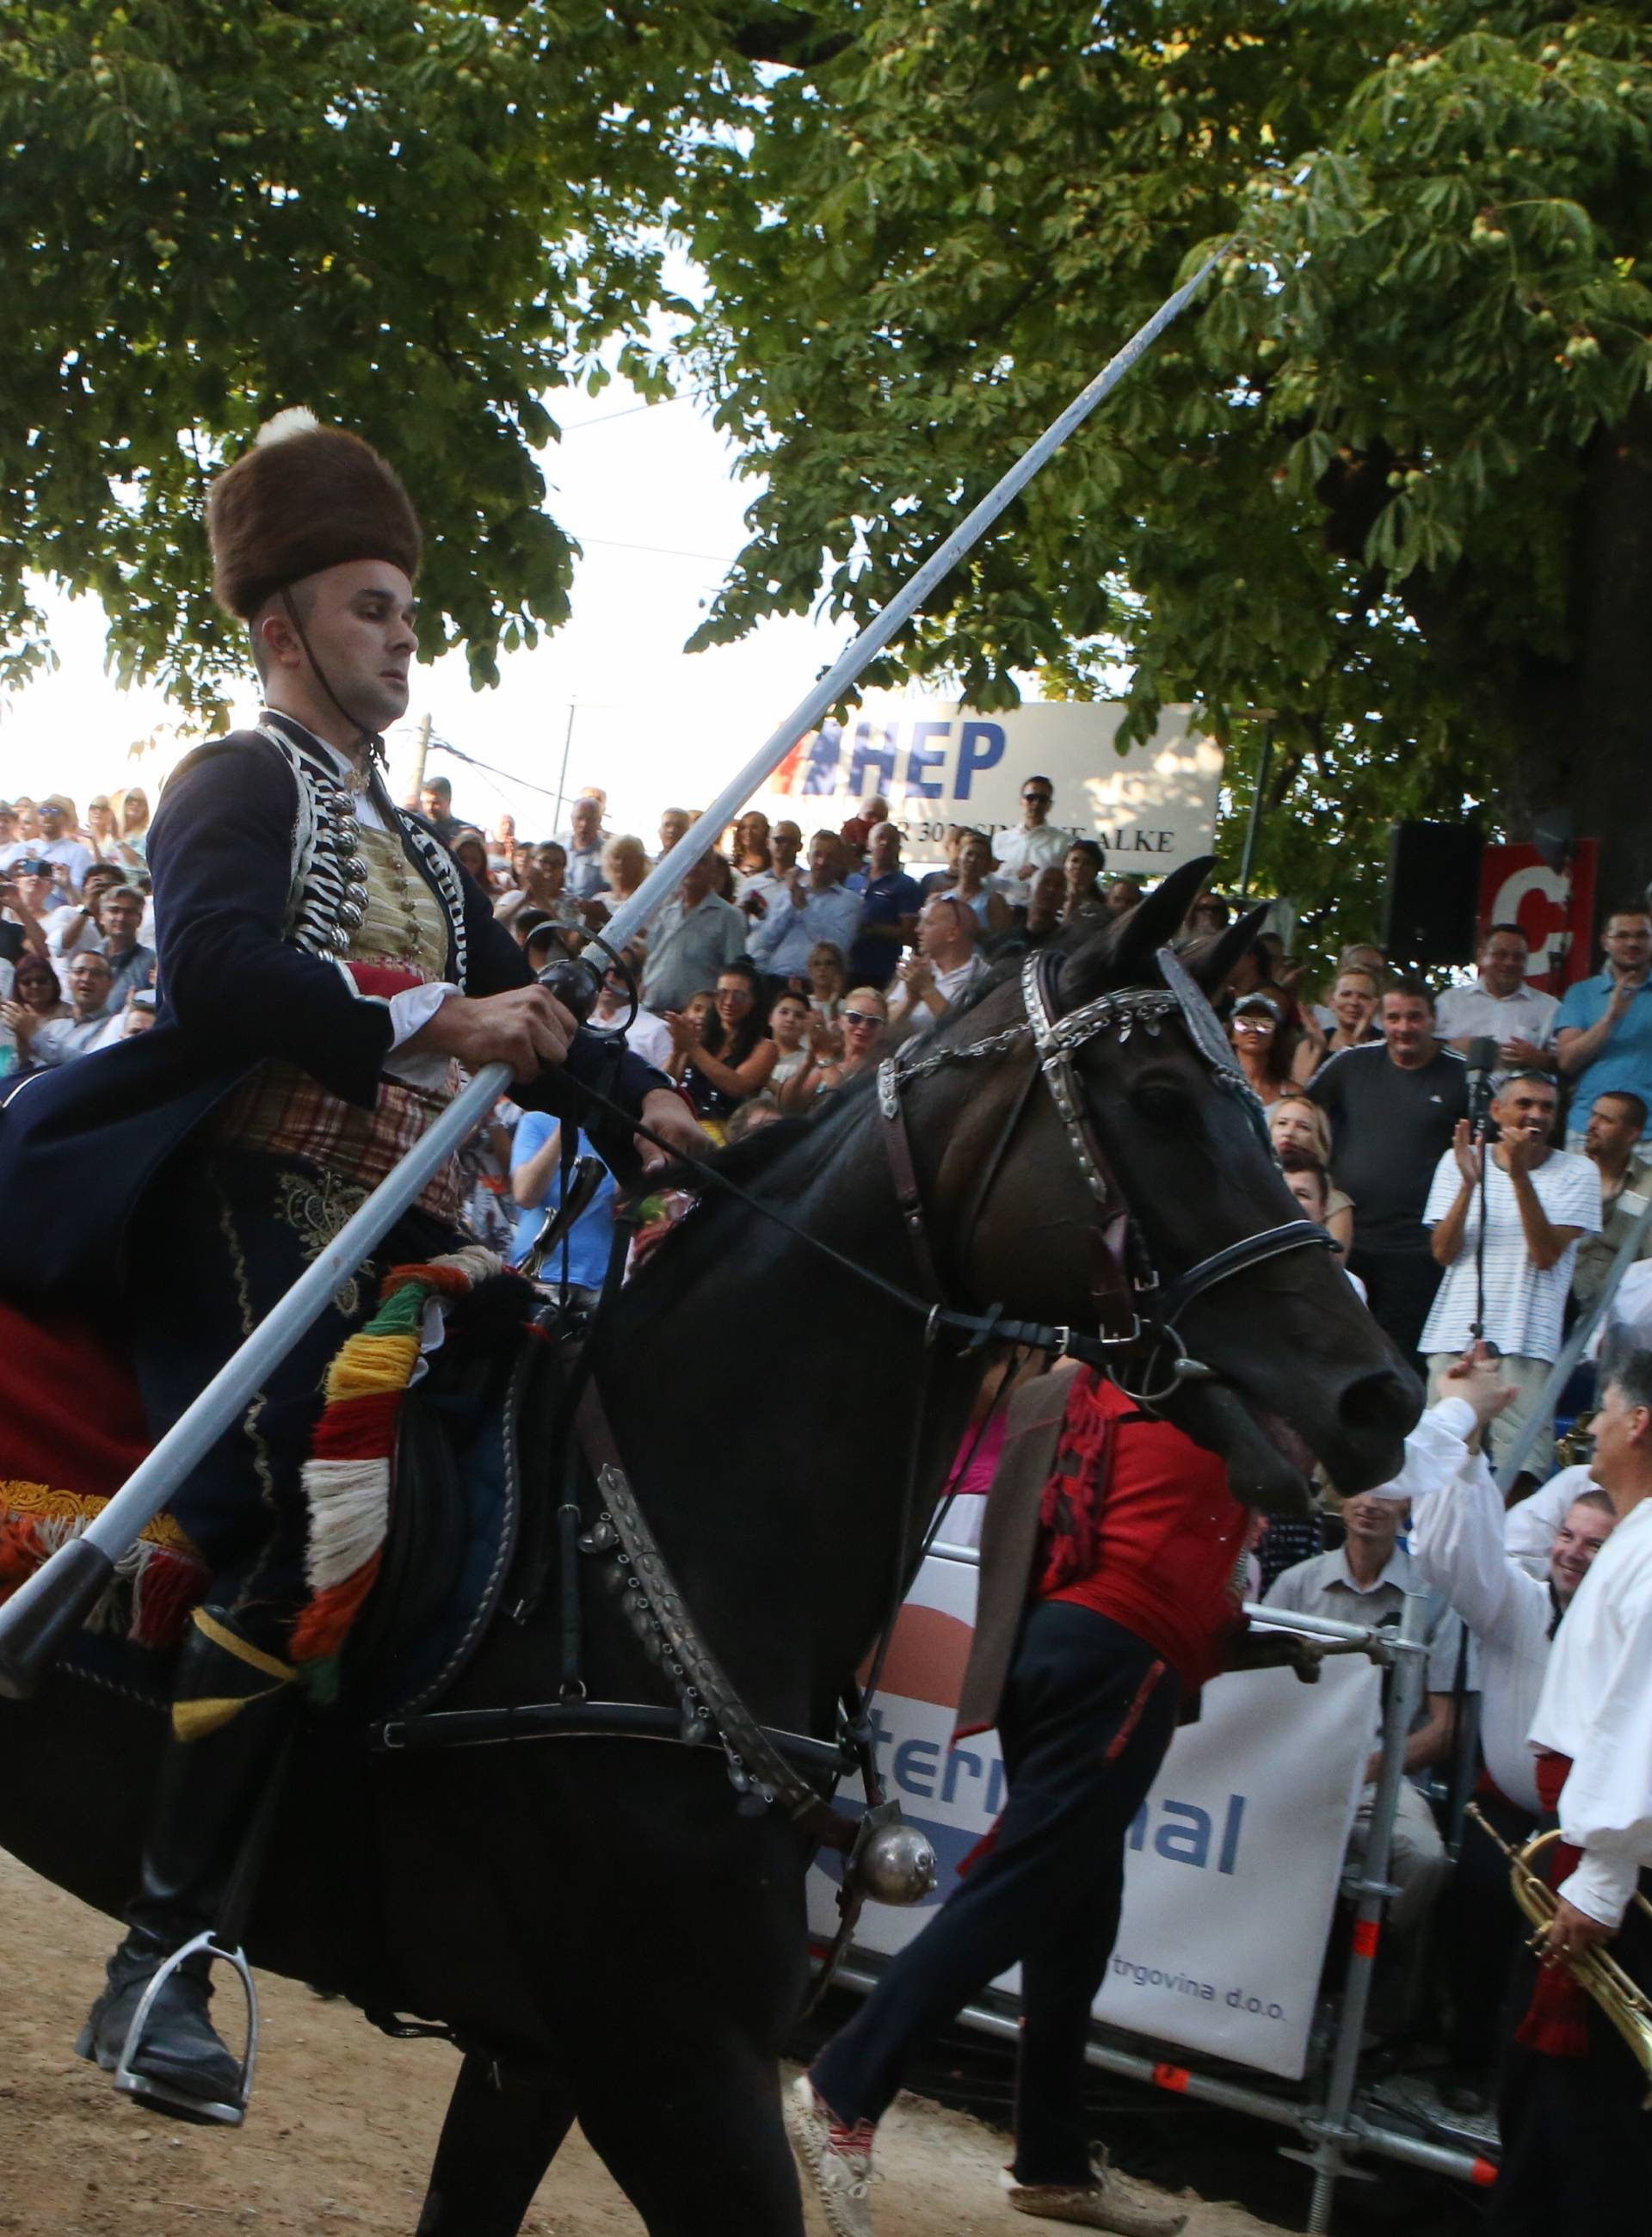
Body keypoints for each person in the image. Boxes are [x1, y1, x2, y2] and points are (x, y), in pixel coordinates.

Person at [0, 411, 700, 2118]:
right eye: (374, 607)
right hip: (231, 1207)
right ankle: (165, 1944)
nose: (402, 637)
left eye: (407, 610)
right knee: (304, 1507)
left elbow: (543, 1027)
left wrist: (657, 1115)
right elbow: (229, 970)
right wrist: (444, 1016)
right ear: (281, 628)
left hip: (397, 1233)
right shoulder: (233, 783)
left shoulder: (432, 850)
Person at [787, 1358, 1322, 2237]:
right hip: (1119, 1659)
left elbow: (1147, 1549)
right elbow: (1280, 1483)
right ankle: (846, 2084)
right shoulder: (1220, 1412)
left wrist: (1232, 1635)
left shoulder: (1109, 1390)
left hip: (1053, 1646)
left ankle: (1054, 2160)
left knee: (1079, 1910)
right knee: (1023, 1886)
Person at [1367, 1350, 1617, 2107]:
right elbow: (1456, 1553)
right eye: (1566, 1537)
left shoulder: (1627, 1625)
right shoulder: (1521, 1602)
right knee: (1473, 1930)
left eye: (1593, 1545)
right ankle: (1465, 2059)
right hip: (1506, 1814)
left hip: (1585, 1834)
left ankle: (1525, 2088)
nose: (1571, 1552)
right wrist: (1468, 1436)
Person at [1490, 1346, 1652, 2236]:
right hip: (1587, 1858)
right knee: (1543, 2104)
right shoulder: (1634, 1530)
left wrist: (1602, 1877)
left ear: (1640, 1422)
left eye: (1606, 1408)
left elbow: (1645, 1718)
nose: (1588, 1423)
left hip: (1608, 1875)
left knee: (1589, 2117)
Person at [1264, 1488, 1471, 1939]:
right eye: (1363, 1488)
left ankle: (1368, 1957)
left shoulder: (1434, 1599)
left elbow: (1445, 1728)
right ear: (1342, 1495)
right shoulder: (1298, 1583)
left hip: (1384, 1775)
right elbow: (1260, 1692)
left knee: (1423, 1858)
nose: (1372, 1503)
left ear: (1409, 1506)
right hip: (1295, 1761)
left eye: (1390, 1492)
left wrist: (1366, 1769)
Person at [1421, 1071, 1600, 1482]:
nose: (1536, 1115)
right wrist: (1468, 1186)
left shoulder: (1578, 1172)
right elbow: (1443, 1253)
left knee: (1519, 1473)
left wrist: (1518, 1176)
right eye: (1525, 1104)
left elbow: (1546, 1254)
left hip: (1528, 1341)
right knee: (1440, 1468)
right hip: (1452, 1336)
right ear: (1497, 1111)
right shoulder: (1458, 1159)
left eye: (1547, 1107)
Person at [1309, 981, 1469, 1362]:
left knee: (1399, 1357)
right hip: (1347, 1240)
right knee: (1336, 1349)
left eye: (1414, 1017)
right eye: (1393, 1018)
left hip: (1419, 1249)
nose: (1403, 1027)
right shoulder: (1351, 1063)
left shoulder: (1464, 1077)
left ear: (1433, 1020)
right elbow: (1303, 1113)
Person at [1555, 905, 1652, 1148]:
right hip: (1588, 1126)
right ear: (1605, 942)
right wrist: (1611, 1017)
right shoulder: (1581, 993)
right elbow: (1567, 1062)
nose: (1632, 943)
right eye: (1622, 935)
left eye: (1642, 935)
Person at [667, 959, 778, 1136]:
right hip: (680, 1124)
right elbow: (666, 1082)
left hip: (727, 1135)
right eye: (722, 993)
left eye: (739, 996)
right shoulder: (700, 1037)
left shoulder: (766, 1047)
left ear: (755, 1001)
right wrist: (677, 1050)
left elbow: (738, 1086)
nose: (728, 1001)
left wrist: (692, 1047)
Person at [509, 1117, 618, 1284]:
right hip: (540, 1275)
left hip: (597, 1282)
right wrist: (567, 1123)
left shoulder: (619, 1135)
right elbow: (525, 1195)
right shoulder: (536, 1122)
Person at [1435, 923, 1559, 1069]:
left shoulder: (1549, 1007)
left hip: (1520, 1088)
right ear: (1481, 956)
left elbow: (1565, 1065)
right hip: (1458, 1087)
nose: (1509, 962)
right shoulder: (1450, 1001)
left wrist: (1537, 1058)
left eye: (1518, 957)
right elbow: (1423, 1047)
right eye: (1500, 954)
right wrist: (1452, 1046)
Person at [1572, 1090, 1652, 1313]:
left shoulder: (1649, 1186)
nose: (1592, 1125)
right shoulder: (1567, 1172)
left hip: (1612, 1306)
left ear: (1631, 1134)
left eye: (1606, 1120)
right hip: (1558, 1291)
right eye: (1593, 1115)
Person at [638, 850, 746, 1014]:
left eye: (701, 861)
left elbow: (735, 975)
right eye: (689, 859)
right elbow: (649, 958)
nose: (693, 866)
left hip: (695, 1020)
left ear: (713, 869)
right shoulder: (665, 912)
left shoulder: (729, 917)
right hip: (651, 1011)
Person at [748, 829, 861, 982]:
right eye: (817, 855)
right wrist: (791, 902)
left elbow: (837, 947)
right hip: (775, 976)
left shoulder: (849, 901)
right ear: (808, 857)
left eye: (830, 857)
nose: (822, 862)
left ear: (840, 862)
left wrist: (804, 908)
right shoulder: (788, 893)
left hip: (815, 984)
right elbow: (766, 939)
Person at [1268, 1096, 1354, 1258]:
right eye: (1282, 1123)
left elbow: (1333, 1264)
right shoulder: (1249, 1187)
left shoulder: (1336, 1204)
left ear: (1319, 1140)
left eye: (1303, 1127)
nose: (1289, 1132)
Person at [886, 897, 987, 1034]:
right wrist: (910, 1000)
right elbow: (882, 1028)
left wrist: (927, 990)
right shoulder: (919, 970)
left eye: (928, 923)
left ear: (952, 934)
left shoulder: (983, 977)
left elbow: (965, 1033)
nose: (918, 929)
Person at [13, 949, 119, 1066]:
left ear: (110, 984)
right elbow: (12, 1074)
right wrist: (22, 1052)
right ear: (69, 980)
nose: (86, 979)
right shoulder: (54, 1026)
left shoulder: (113, 1027)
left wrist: (35, 1035)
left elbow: (89, 1066)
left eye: (96, 973)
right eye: (79, 971)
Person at [848, 823, 921, 988]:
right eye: (880, 837)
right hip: (847, 966)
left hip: (881, 970)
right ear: (868, 843)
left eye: (892, 840)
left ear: (899, 848)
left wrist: (874, 929)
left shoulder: (906, 885)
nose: (885, 843)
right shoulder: (852, 879)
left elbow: (909, 934)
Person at [592, 950, 673, 1071]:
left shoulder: (657, 1029)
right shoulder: (583, 1021)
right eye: (604, 972)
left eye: (619, 973)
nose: (609, 979)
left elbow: (667, 1081)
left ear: (637, 980)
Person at [494, 841, 583, 940]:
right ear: (532, 863)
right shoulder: (513, 896)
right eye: (544, 861)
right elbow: (492, 925)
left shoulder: (572, 902)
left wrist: (542, 901)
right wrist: (524, 899)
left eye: (556, 864)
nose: (549, 868)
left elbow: (570, 942)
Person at [42, 861, 129, 962]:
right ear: (84, 889)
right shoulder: (67, 913)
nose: (103, 893)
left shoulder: (124, 919)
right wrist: (87, 908)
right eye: (98, 886)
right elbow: (58, 950)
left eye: (110, 888)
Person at [1227, 990, 1298, 1106]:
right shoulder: (1217, 1085)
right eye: (1243, 1023)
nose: (1253, 1030)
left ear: (1275, 1037)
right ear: (1231, 1036)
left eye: (1264, 1024)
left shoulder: (1291, 1093)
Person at [993, 773, 1066, 885]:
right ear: (1021, 801)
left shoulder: (1062, 843)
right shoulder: (1000, 840)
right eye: (1031, 798)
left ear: (1049, 805)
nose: (1036, 803)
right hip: (1002, 902)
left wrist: (1039, 873)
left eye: (1042, 799)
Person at [940, 829, 1014, 937]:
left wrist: (972, 931)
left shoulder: (994, 901)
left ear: (987, 865)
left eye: (980, 857)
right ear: (959, 858)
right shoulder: (943, 898)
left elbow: (1002, 939)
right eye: (969, 854)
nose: (973, 860)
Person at [813, 987, 887, 1094]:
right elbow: (790, 1104)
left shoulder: (880, 1073)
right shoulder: (830, 1063)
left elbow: (841, 1097)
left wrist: (823, 1055)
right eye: (855, 1017)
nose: (863, 1026)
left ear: (883, 1030)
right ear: (840, 1021)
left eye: (873, 1022)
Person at [34, 795, 95, 901]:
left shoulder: (78, 852)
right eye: (43, 811)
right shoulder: (22, 848)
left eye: (55, 811)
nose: (48, 815)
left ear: (65, 818)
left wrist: (66, 885)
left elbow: (82, 899)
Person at [557, 793, 609, 903]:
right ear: (571, 818)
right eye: (580, 818)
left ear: (599, 821)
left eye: (590, 820)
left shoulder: (608, 853)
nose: (584, 824)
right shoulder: (558, 843)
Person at [1061, 840, 1106, 932]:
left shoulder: (1100, 909)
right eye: (1075, 860)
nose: (1079, 866)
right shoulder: (1052, 898)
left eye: (1087, 863)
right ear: (1065, 864)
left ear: (1096, 871)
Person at [105, 786, 152, 874]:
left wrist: (118, 841)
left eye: (141, 802)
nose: (135, 804)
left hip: (134, 884)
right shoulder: (113, 832)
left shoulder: (147, 835)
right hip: (111, 882)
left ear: (146, 808)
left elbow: (139, 863)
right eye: (130, 800)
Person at [1021, 864, 1069, 947]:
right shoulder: (1010, 922)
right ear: (1031, 890)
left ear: (1064, 898)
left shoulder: (1063, 941)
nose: (1051, 890)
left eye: (1059, 886)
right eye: (1045, 882)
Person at [416, 773, 464, 846]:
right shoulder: (415, 823)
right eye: (427, 802)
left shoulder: (460, 832)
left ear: (448, 801)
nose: (430, 807)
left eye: (435, 803)